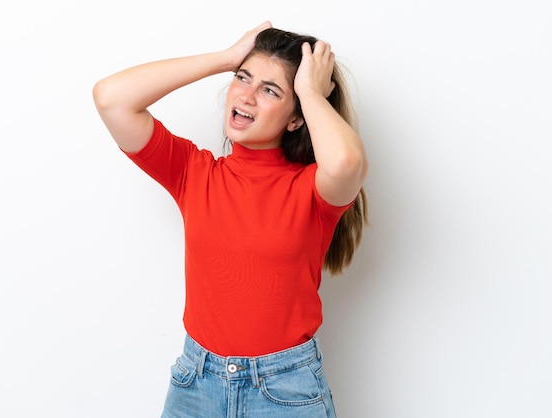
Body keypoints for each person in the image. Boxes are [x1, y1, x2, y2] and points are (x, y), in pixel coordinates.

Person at [93, 21, 368, 418]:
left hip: (285, 390)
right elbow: (110, 98)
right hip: (196, 384)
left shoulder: (313, 191)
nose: (247, 96)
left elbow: (346, 161)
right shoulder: (193, 172)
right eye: (244, 78)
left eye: (270, 90)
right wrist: (224, 58)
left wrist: (309, 92)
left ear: (297, 117)